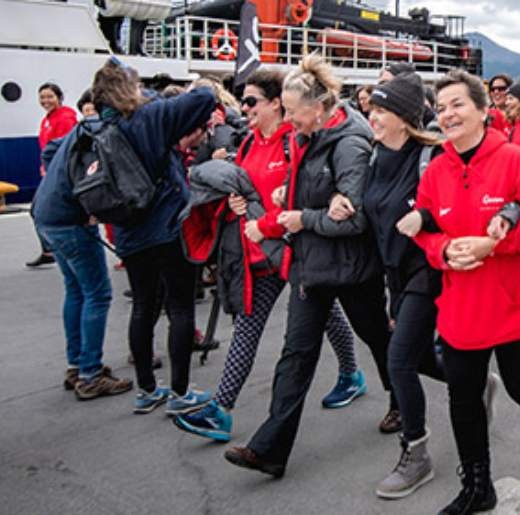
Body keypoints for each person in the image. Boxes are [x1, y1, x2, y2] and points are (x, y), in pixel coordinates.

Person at [403, 68, 520, 515]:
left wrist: (496, 244)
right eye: (441, 107)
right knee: (463, 396)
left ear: (484, 109)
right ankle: (478, 486)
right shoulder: (436, 169)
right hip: (462, 306)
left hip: (517, 303)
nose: (448, 114)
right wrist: (443, 250)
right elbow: (425, 228)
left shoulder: (514, 161)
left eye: (458, 104)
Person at [223, 53, 398, 478]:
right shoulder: (307, 135)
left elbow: (355, 218)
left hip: (352, 267)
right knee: (296, 354)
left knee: (381, 341)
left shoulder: (350, 143)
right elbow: (316, 186)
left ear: (318, 109)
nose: (287, 119)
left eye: (292, 112)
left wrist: (303, 217)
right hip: (311, 265)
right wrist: (290, 192)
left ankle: (416, 397)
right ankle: (270, 450)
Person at [173, 69, 363, 442]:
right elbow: (249, 188)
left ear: (277, 103)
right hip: (259, 251)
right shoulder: (247, 144)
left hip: (294, 248)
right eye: (242, 101)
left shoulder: (297, 141)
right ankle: (221, 410)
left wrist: (270, 215)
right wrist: (237, 201)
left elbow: (308, 196)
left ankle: (352, 374)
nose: (244, 108)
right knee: (253, 324)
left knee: (326, 316)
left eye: (251, 101)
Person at [327, 72, 453, 499]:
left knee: (397, 358)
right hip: (393, 273)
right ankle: (468, 378)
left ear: (403, 117)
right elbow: (371, 212)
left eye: (380, 110)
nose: (371, 116)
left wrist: (427, 217)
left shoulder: (432, 156)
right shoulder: (376, 155)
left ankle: (415, 454)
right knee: (416, 358)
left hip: (427, 271)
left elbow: (454, 208)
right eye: (372, 109)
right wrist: (341, 206)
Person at [90, 58, 217, 415]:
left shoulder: (98, 125)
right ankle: (179, 393)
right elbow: (205, 97)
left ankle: (147, 390)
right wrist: (149, 97)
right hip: (167, 225)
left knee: (143, 307)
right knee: (179, 307)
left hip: (129, 231)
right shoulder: (149, 116)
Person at [31, 112, 134, 401]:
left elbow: (50, 150)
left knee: (75, 290)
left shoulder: (83, 127)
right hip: (70, 221)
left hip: (47, 215)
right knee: (97, 294)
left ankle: (76, 365)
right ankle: (90, 374)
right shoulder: (105, 133)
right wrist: (87, 203)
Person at [26, 83, 78, 269]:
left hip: (57, 173)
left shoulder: (65, 118)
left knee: (39, 210)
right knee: (39, 211)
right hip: (49, 171)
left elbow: (64, 148)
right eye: (42, 97)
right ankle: (50, 249)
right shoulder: (47, 119)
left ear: (59, 97)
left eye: (50, 97)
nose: (45, 101)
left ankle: (53, 249)